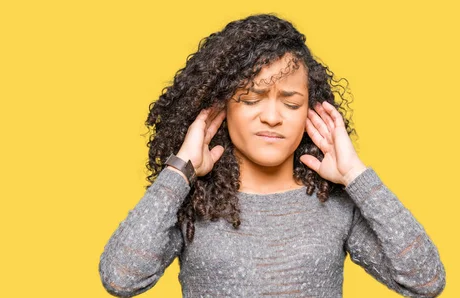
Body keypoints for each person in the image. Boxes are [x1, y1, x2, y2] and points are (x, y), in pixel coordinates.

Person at [98, 13, 446, 297]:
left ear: (310, 112)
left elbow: (425, 281)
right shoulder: (192, 201)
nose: (273, 116)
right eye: (251, 99)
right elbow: (121, 278)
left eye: (291, 103)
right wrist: (180, 171)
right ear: (223, 109)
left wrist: (357, 176)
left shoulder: (336, 204)